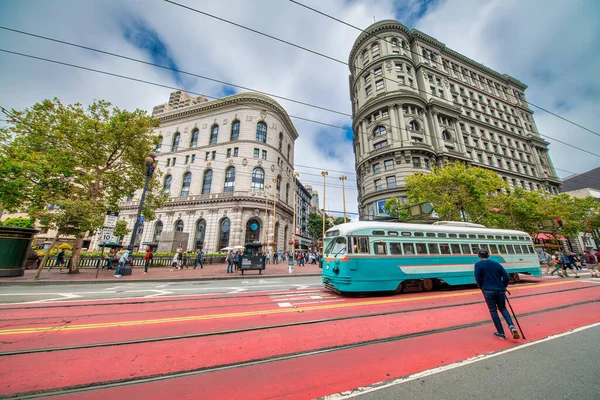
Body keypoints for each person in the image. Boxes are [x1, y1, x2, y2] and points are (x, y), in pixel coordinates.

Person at [474, 248, 520, 340]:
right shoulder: (496, 264)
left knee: (493, 310)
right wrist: (503, 286)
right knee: (503, 308)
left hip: (488, 289)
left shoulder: (478, 265)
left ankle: (501, 332)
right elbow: (506, 277)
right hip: (500, 289)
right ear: (488, 255)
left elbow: (478, 278)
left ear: (479, 256)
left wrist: (481, 287)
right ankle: (512, 326)